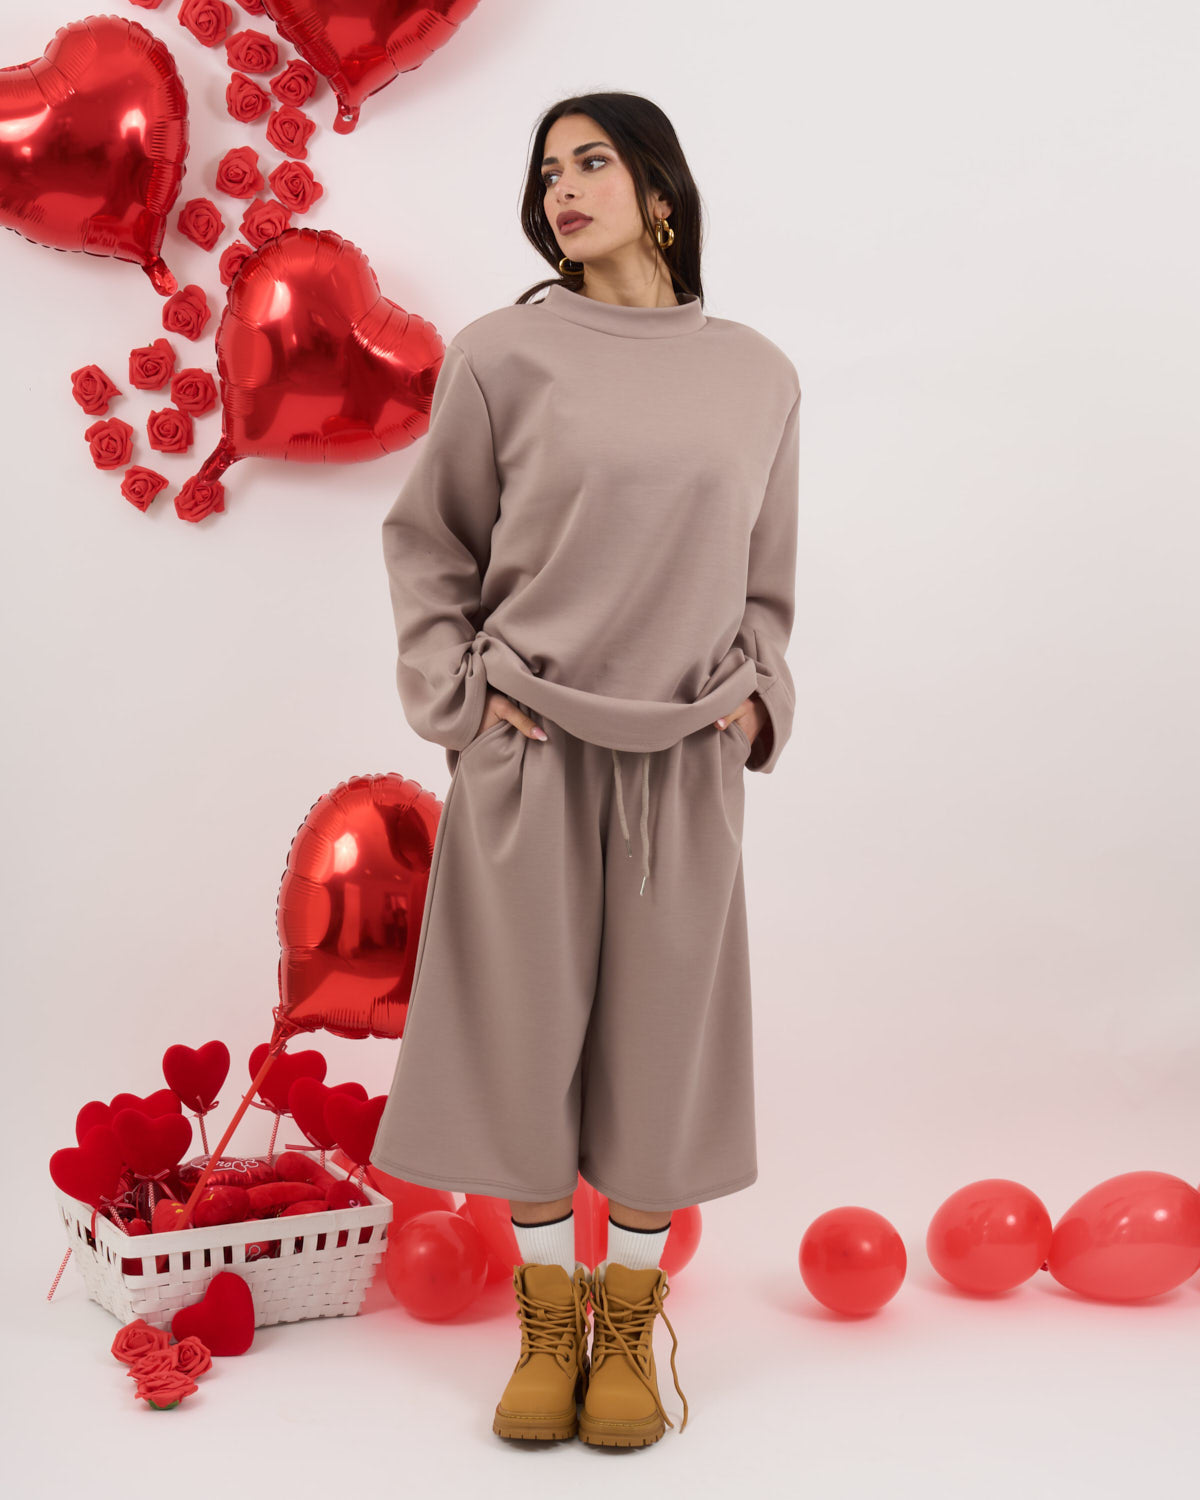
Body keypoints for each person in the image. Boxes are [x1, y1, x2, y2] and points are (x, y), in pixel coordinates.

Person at [373, 91, 801, 1448]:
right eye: (548, 169)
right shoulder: (501, 354)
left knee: (663, 1048)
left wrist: (760, 701)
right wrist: (460, 701)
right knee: (523, 1040)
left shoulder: (758, 375)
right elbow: (429, 544)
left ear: (661, 192)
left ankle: (630, 1317)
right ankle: (547, 1313)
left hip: (685, 754)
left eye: (594, 161)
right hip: (530, 747)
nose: (563, 187)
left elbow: (767, 579)